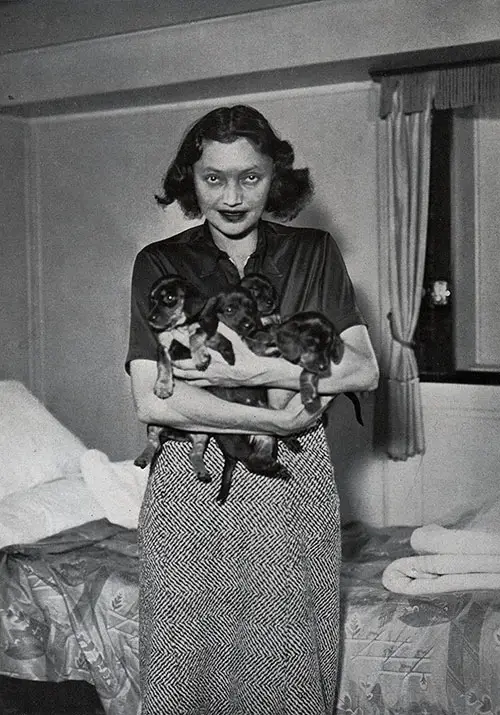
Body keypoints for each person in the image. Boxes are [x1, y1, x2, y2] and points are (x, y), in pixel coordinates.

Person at [126, 104, 379, 715]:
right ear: (192, 179)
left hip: (292, 482)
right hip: (192, 482)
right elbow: (153, 400)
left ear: (276, 177)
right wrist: (278, 416)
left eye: (251, 177)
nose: (233, 196)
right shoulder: (158, 263)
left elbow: (364, 368)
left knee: (288, 680)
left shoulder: (313, 251)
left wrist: (252, 372)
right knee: (185, 676)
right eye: (214, 178)